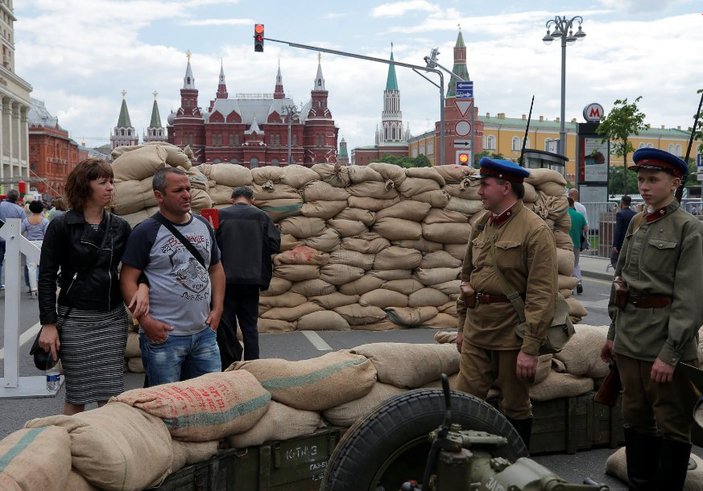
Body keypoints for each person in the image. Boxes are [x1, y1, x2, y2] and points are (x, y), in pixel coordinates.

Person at [600, 148, 703, 491]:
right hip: (630, 339)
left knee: (672, 424)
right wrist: (613, 332)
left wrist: (671, 352)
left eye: (653, 180)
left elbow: (691, 299)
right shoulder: (637, 221)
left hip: (663, 342)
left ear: (674, 183)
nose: (644, 186)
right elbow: (621, 281)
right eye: (641, 179)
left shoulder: (689, 229)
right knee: (634, 418)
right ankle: (640, 483)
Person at [455, 157, 557, 449]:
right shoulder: (481, 225)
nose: (479, 192)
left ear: (505, 187)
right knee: (465, 402)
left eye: (485, 185)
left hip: (513, 336)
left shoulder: (534, 230)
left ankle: (517, 465)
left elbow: (542, 293)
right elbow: (466, 279)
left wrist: (530, 347)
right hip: (477, 330)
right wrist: (462, 327)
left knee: (515, 406)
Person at [37, 158, 147, 415]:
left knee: (110, 394)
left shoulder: (120, 226)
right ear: (85, 186)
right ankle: (72, 446)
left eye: (112, 182)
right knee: (78, 393)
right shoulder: (61, 225)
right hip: (75, 318)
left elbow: (136, 267)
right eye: (102, 182)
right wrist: (48, 324)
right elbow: (47, 276)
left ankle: (107, 450)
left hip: (112, 318)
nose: (110, 187)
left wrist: (143, 286)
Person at [120, 167, 225, 386]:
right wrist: (146, 322)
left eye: (188, 189)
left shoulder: (203, 225)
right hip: (165, 337)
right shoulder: (146, 231)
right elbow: (128, 279)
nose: (187, 194)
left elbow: (216, 268)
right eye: (178, 190)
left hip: (204, 333)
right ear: (159, 196)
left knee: (209, 398)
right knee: (167, 405)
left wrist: (217, 310)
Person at [215, 186, 280, 367]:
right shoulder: (262, 216)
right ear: (253, 200)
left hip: (224, 281)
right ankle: (253, 366)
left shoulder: (220, 216)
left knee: (226, 326)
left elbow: (209, 247)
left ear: (231, 199)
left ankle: (229, 363)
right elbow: (274, 245)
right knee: (249, 327)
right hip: (252, 280)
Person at [0, 189, 27, 290]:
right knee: (13, 262)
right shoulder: (19, 210)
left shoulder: (1, 205)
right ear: (17, 198)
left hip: (0, 238)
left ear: (7, 196)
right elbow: (24, 224)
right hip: (13, 239)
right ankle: (12, 284)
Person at [22, 200, 49, 296]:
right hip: (42, 243)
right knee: (43, 266)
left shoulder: (26, 220)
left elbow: (20, 232)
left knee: (31, 267)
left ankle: (33, 289)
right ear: (41, 208)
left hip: (30, 243)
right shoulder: (45, 221)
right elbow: (47, 235)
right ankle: (43, 286)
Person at [567, 196, 587, 294]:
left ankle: (570, 287)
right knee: (575, 264)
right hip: (577, 244)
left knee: (567, 265)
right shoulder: (579, 216)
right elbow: (586, 228)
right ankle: (578, 282)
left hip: (565, 244)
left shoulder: (564, 215)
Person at [610, 195, 636, 268]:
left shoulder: (620, 214)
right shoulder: (634, 214)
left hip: (621, 241)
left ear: (622, 202)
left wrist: (615, 244)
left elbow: (618, 230)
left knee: (614, 259)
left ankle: (619, 275)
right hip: (631, 240)